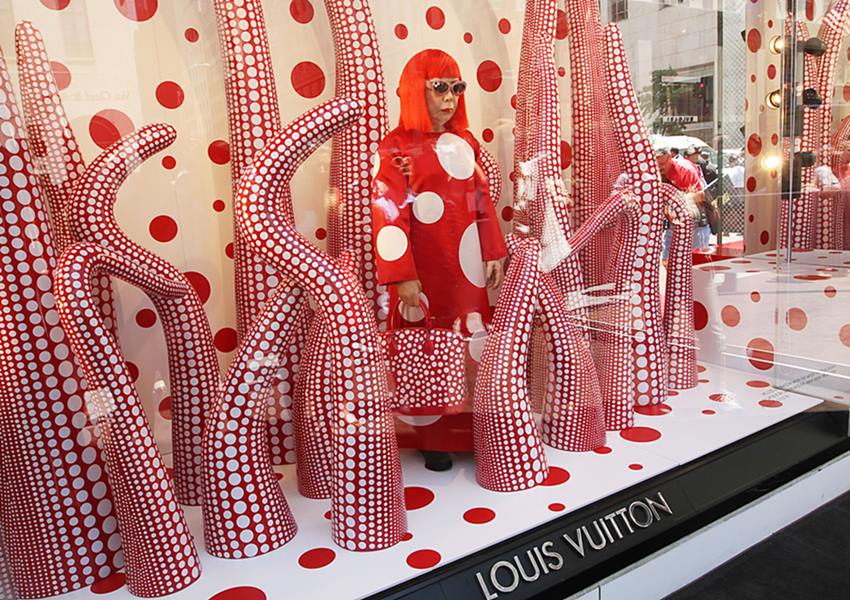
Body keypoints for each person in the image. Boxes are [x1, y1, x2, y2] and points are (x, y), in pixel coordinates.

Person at [372, 49, 507, 471]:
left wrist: (493, 249)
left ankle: (469, 428)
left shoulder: (466, 142)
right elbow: (389, 211)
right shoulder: (396, 146)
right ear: (418, 90)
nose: (450, 98)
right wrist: (401, 276)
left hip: (466, 267)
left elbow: (482, 200)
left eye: (457, 88)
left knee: (470, 339)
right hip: (425, 269)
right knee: (425, 346)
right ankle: (430, 434)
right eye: (440, 88)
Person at [656, 145, 709, 254]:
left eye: (662, 164)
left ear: (670, 157)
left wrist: (679, 201)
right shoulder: (655, 172)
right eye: (656, 165)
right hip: (672, 223)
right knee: (667, 260)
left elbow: (700, 195)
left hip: (695, 224)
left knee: (696, 261)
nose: (659, 168)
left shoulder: (685, 170)